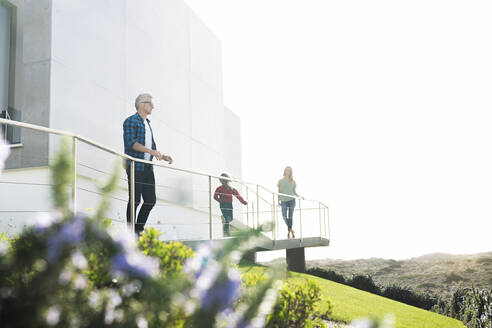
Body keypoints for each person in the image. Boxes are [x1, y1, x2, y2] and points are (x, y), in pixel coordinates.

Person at [123, 93, 173, 235]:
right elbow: (131, 143)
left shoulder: (148, 124)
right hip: (135, 166)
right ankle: (130, 232)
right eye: (150, 103)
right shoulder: (131, 121)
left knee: (150, 200)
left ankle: (138, 229)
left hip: (147, 167)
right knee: (135, 200)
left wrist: (163, 156)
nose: (153, 106)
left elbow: (152, 147)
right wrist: (151, 151)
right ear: (141, 104)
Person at [213, 173, 248, 237]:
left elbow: (238, 196)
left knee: (229, 219)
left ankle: (226, 230)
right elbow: (239, 197)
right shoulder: (227, 188)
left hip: (225, 205)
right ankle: (227, 232)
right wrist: (244, 202)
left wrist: (244, 202)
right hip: (226, 204)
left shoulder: (228, 188)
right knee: (228, 219)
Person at [277, 166, 300, 239]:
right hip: (283, 201)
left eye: (289, 171)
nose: (287, 172)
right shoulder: (280, 181)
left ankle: (289, 231)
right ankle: (291, 230)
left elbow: (294, 192)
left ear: (290, 172)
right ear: (284, 171)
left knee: (290, 217)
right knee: (284, 216)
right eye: (286, 170)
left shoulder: (293, 181)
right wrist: (278, 201)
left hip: (291, 200)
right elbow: (279, 192)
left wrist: (299, 196)